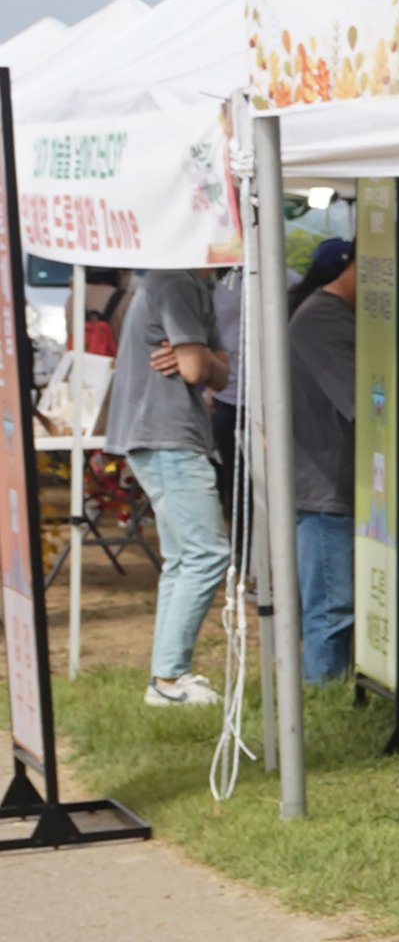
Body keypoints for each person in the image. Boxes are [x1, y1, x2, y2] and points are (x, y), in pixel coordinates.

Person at [102, 266, 230, 707]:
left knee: (184, 558)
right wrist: (200, 360)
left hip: (167, 436)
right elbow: (200, 370)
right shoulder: (175, 280)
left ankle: (168, 677)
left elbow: (218, 372)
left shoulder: (191, 282)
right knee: (207, 554)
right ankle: (169, 679)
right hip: (167, 436)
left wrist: (201, 360)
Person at [284, 238, 361, 680]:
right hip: (322, 485)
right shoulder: (323, 318)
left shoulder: (326, 312)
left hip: (328, 482)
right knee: (331, 606)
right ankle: (323, 695)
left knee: (331, 602)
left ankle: (326, 691)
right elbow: (364, 403)